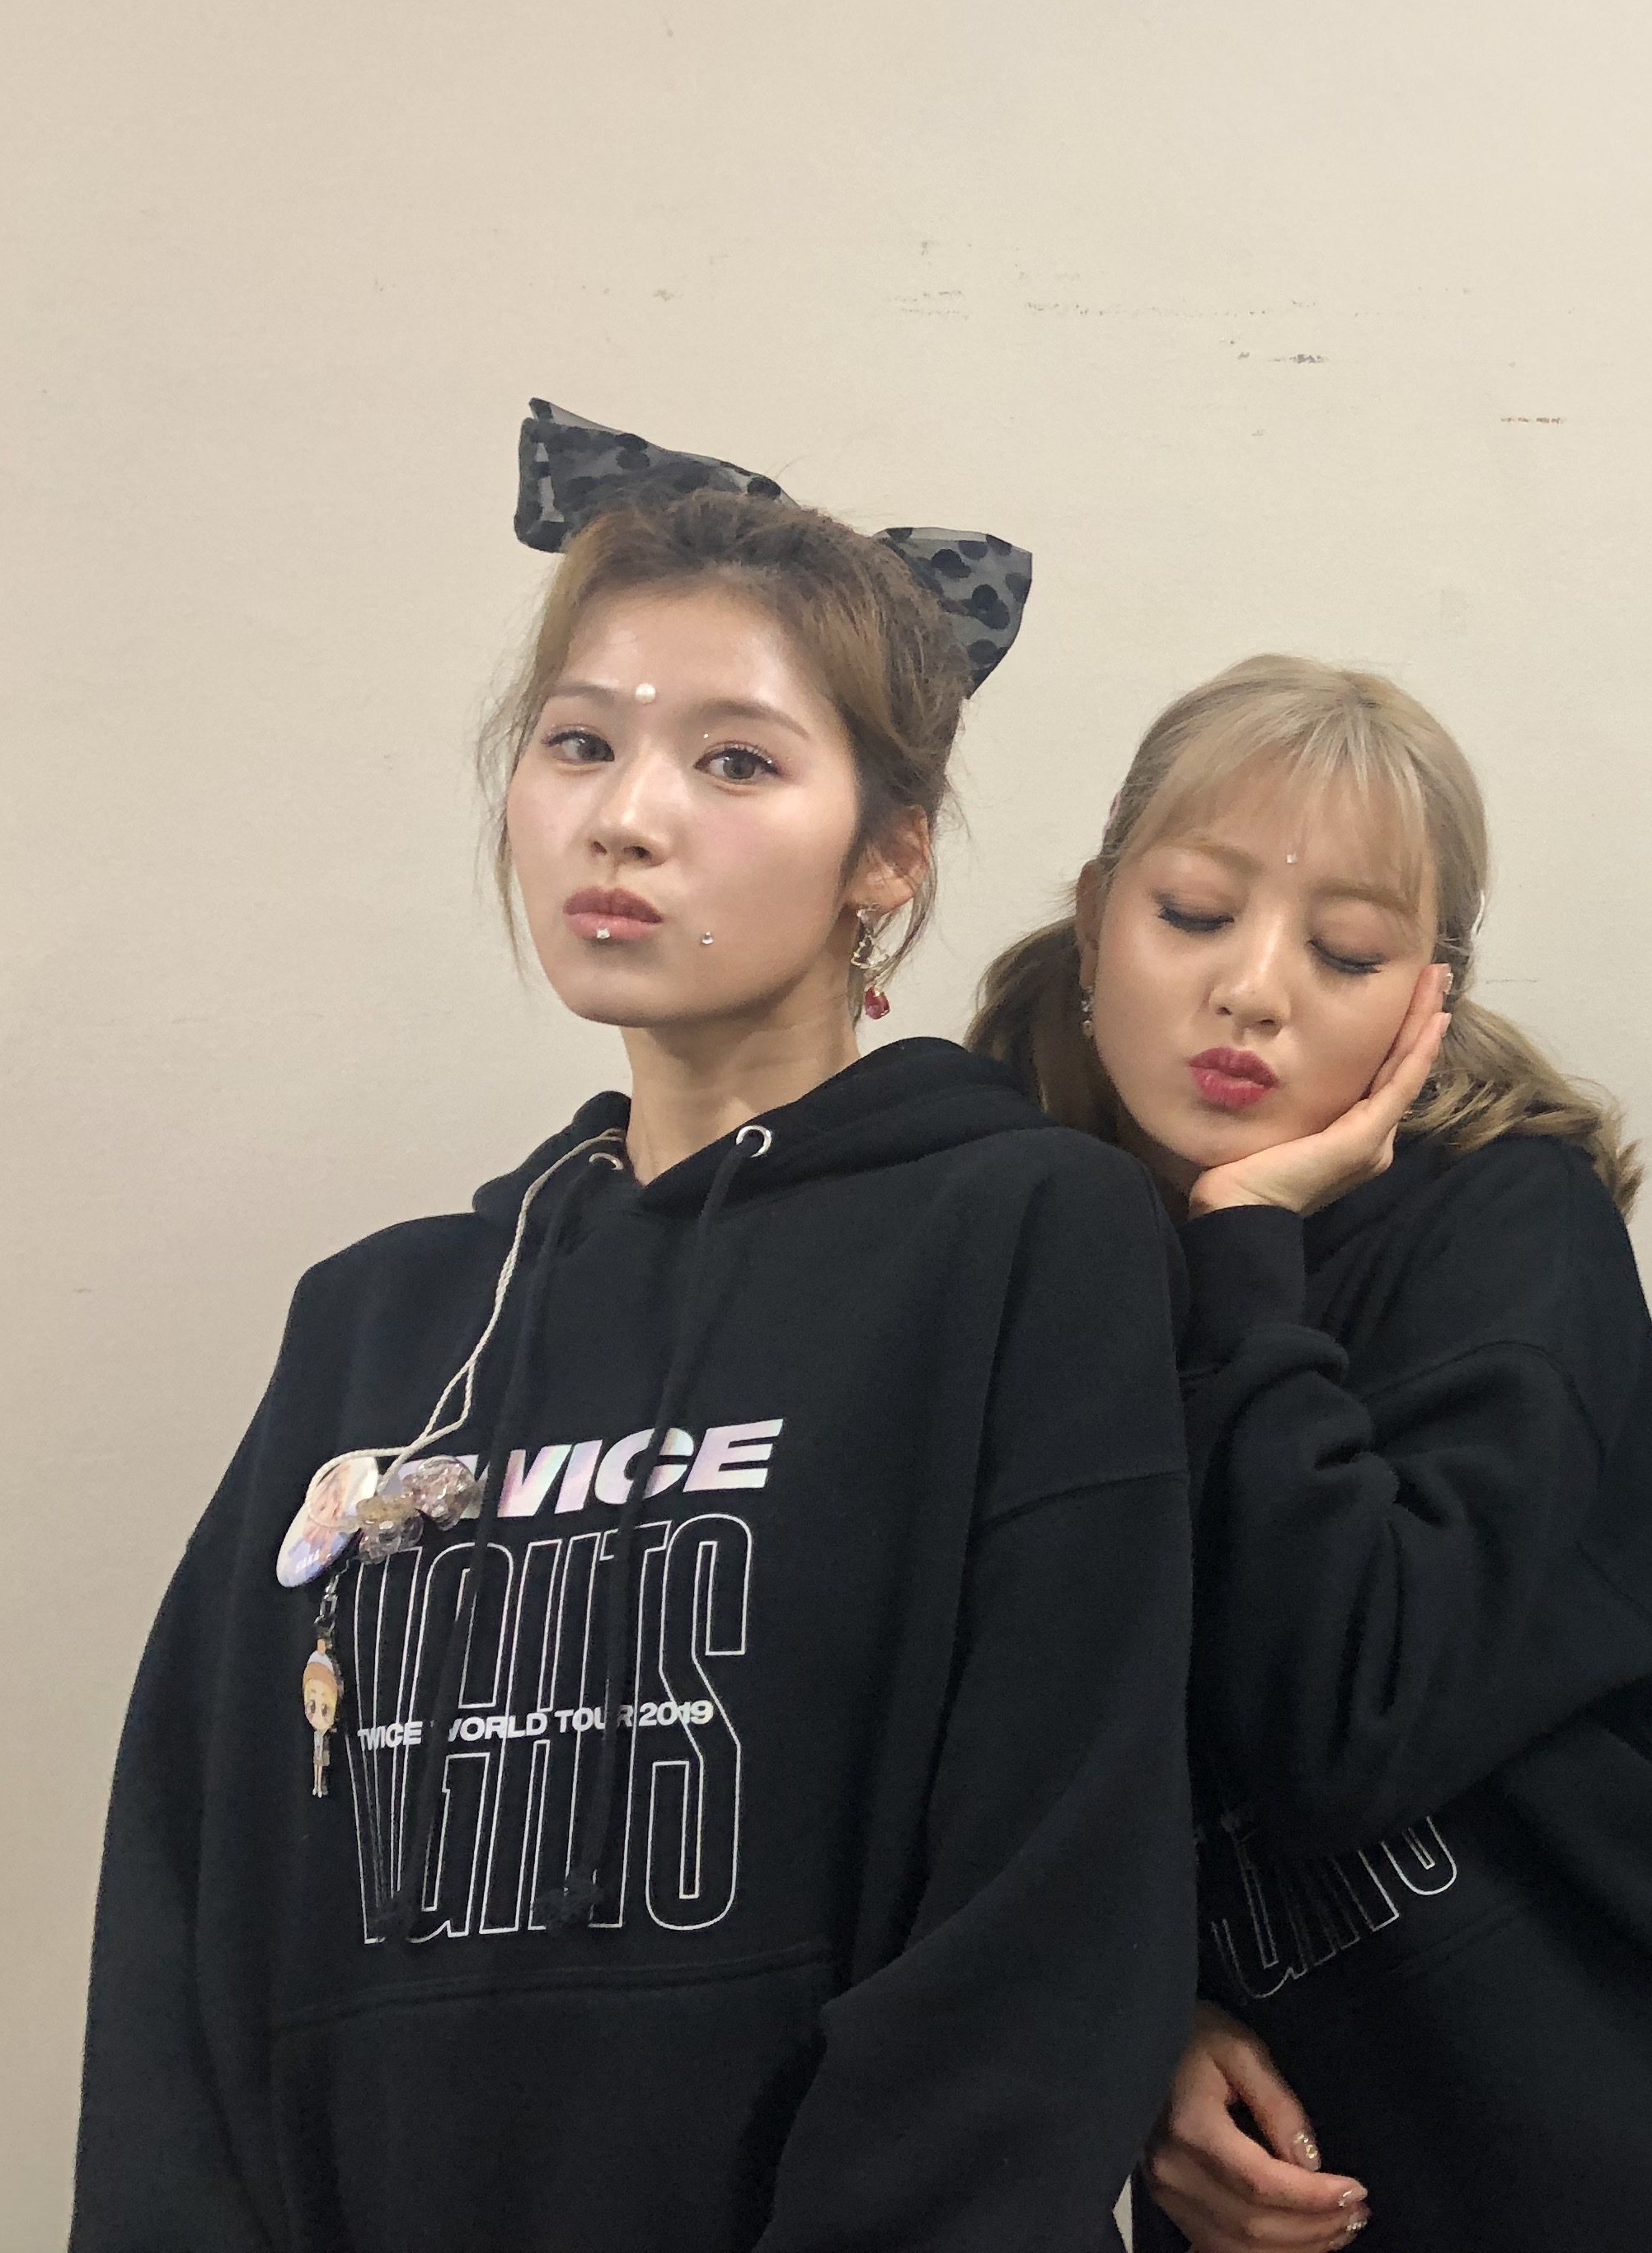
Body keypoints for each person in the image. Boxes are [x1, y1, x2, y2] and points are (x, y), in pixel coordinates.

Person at [70, 407, 1196, 2252]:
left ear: (888, 852)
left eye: (736, 762)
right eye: (579, 741)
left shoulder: (1019, 1235)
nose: (627, 815)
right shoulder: (377, 1324)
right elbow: (186, 1925)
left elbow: (1054, 1895)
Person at [971, 655, 1652, 2253]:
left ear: (1432, 994)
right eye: (1193, 915)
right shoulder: (1009, 1266)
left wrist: (1246, 1249)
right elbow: (1004, 1773)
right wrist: (1143, 2030)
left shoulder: (1509, 1230)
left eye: (1345, 951)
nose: (1253, 991)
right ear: (1094, 920)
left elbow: (1352, 1718)